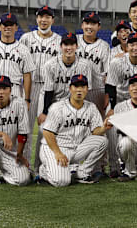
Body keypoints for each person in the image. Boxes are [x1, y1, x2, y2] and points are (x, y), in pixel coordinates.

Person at [35, 32, 94, 174]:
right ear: (60, 46)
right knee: (44, 131)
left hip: (72, 103)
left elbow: (86, 90)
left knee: (77, 131)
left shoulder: (84, 65)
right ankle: (38, 168)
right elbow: (49, 91)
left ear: (76, 46)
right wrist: (44, 112)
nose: (69, 48)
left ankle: (74, 165)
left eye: (71, 44)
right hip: (52, 101)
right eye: (66, 44)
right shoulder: (50, 65)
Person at [39, 74, 112, 186]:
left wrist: (103, 128)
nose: (79, 90)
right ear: (70, 88)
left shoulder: (91, 107)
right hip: (54, 149)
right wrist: (58, 153)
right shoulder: (58, 107)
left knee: (102, 141)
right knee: (62, 182)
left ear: (87, 89)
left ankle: (82, 173)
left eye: (82, 87)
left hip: (75, 149)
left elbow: (95, 131)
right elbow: (47, 132)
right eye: (76, 86)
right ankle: (44, 171)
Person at [18, 5, 61, 161]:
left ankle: (42, 167)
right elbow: (19, 64)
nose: (44, 20)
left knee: (46, 129)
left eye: (47, 17)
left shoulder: (59, 40)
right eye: (41, 17)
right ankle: (26, 166)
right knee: (25, 128)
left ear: (52, 20)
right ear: (37, 19)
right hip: (30, 86)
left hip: (50, 88)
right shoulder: (26, 39)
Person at [76, 12, 110, 96]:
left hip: (96, 90)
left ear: (99, 27)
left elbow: (108, 73)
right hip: (74, 88)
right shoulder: (73, 40)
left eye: (93, 24)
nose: (89, 27)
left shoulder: (104, 46)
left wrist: (107, 95)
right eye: (87, 23)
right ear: (82, 25)